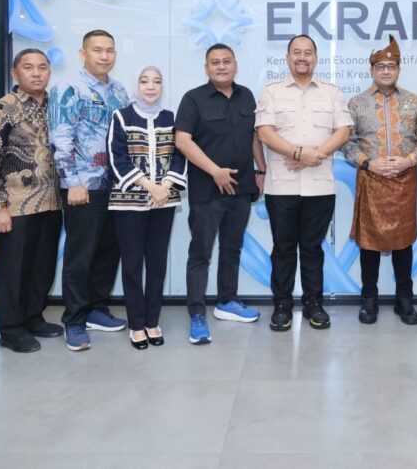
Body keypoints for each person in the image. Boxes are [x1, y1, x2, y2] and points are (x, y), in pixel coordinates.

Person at [256, 34, 352, 332]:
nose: (302, 57)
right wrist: (298, 153)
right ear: (288, 58)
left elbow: (343, 131)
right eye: (296, 52)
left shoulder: (331, 92)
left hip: (320, 186)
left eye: (307, 52)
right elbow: (265, 132)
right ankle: (282, 305)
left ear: (315, 58)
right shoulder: (272, 91)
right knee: (283, 248)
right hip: (281, 186)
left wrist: (314, 155)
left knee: (312, 248)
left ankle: (314, 303)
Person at [176, 44, 267, 345]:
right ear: (207, 68)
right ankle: (197, 314)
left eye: (227, 61)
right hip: (207, 191)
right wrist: (215, 171)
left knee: (232, 249)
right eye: (215, 62)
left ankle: (227, 301)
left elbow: (254, 136)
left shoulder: (247, 96)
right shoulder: (193, 99)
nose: (221, 66)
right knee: (200, 253)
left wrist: (261, 169)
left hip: (241, 189)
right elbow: (183, 141)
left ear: (235, 65)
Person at [341, 36, 417, 326]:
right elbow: (346, 142)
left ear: (398, 70)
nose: (385, 71)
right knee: (369, 242)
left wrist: (409, 160)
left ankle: (404, 299)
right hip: (371, 181)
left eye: (391, 66)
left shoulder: (413, 101)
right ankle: (369, 298)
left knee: (403, 242)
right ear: (371, 70)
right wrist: (368, 162)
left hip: (404, 181)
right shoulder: (356, 103)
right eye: (380, 66)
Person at [49, 30, 131, 352]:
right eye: (97, 50)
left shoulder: (119, 91)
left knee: (109, 251)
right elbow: (61, 138)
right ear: (83, 53)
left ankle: (97, 308)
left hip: (116, 186)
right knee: (81, 255)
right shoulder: (68, 87)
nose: (104, 55)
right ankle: (74, 320)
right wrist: (73, 182)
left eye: (109, 50)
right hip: (83, 186)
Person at [0, 48, 63, 354]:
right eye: (28, 67)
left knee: (42, 266)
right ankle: (11, 329)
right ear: (15, 73)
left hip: (52, 201)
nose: (36, 73)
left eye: (42, 67)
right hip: (16, 205)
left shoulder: (56, 107)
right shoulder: (2, 109)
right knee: (14, 270)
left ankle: (33, 317)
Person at [108, 66, 187, 350]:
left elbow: (180, 155)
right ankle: (136, 324)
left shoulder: (171, 118)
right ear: (137, 86)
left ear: (162, 87)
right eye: (144, 81)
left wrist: (164, 187)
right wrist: (149, 186)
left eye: (156, 81)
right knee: (132, 265)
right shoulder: (122, 116)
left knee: (157, 263)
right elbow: (117, 158)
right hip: (128, 203)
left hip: (163, 201)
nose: (150, 86)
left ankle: (152, 321)